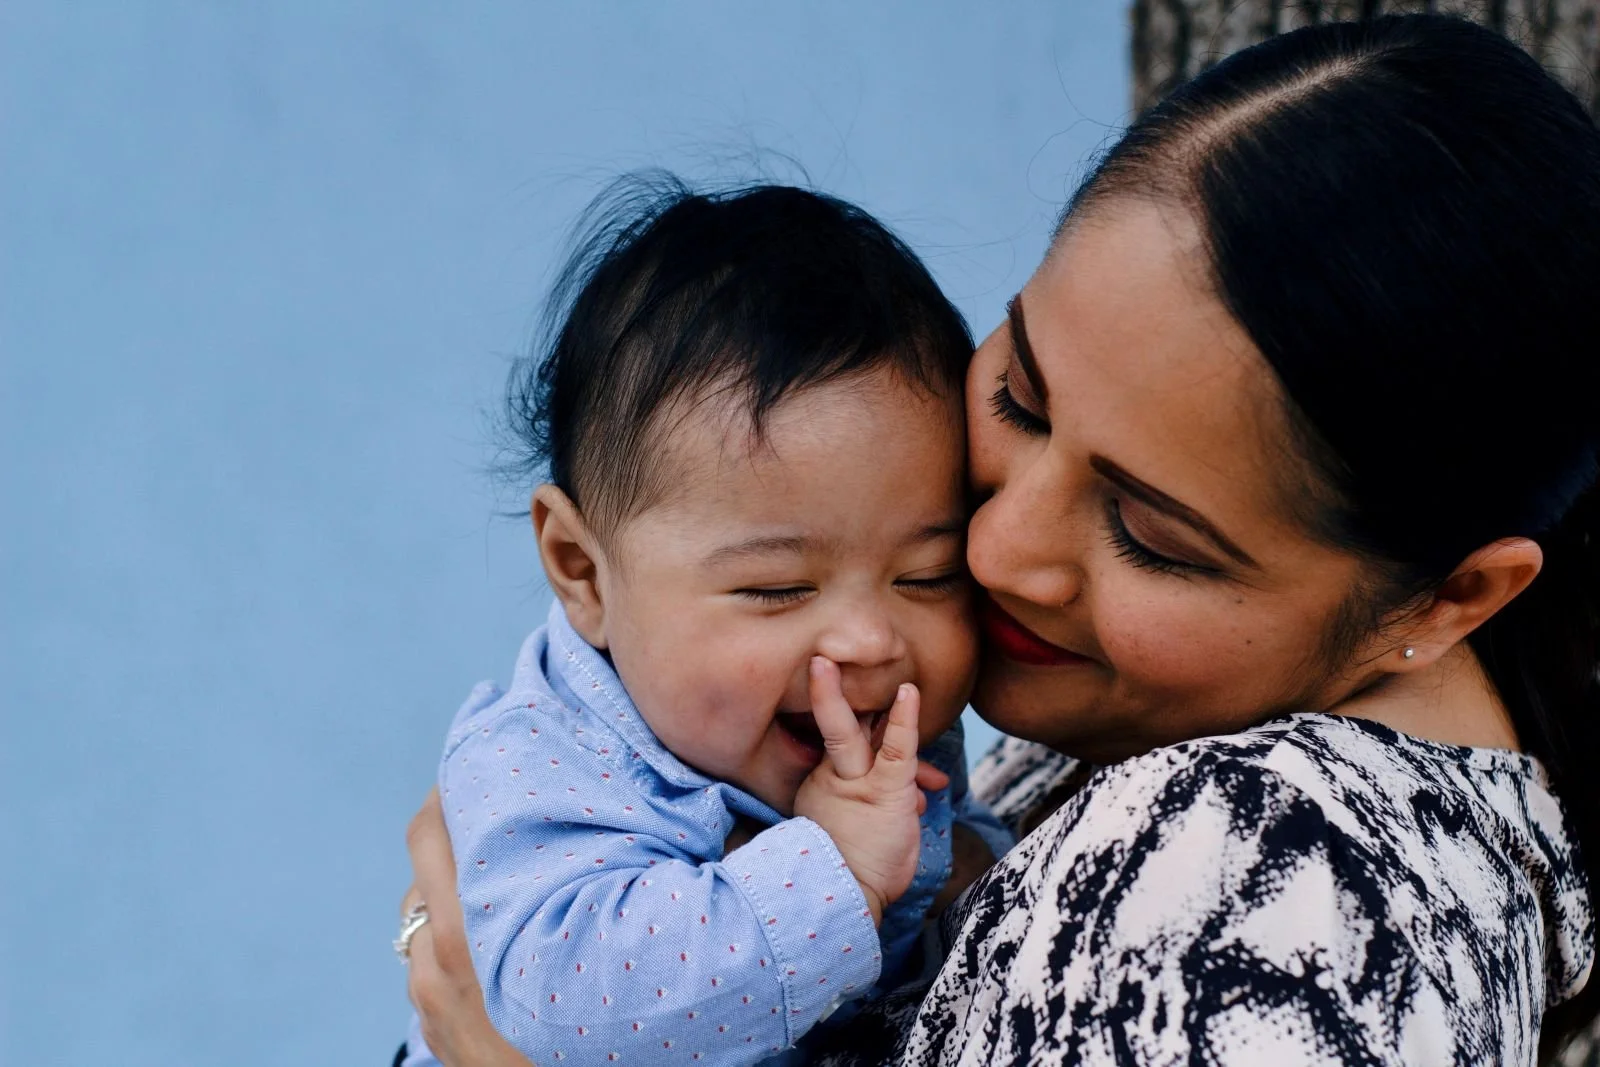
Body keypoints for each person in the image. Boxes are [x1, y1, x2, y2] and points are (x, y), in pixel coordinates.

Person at [399, 14, 1600, 1065]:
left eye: (1146, 530)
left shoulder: (1284, 893)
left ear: (1446, 598)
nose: (992, 550)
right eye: (1019, 394)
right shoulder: (1133, 725)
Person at [395, 180, 1013, 1067]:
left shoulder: (874, 724)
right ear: (582, 571)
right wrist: (830, 870)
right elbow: (564, 1005)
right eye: (776, 588)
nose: (873, 639)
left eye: (928, 574)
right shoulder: (536, 759)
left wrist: (956, 872)